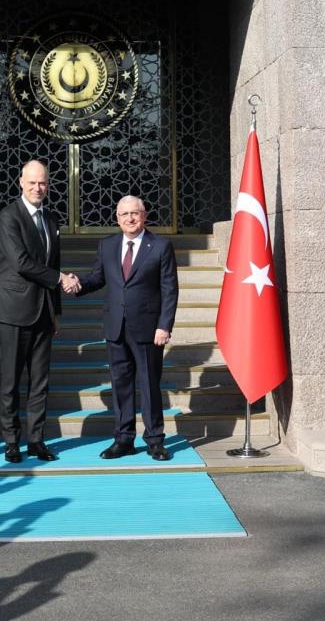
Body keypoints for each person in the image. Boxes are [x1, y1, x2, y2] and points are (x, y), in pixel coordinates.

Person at [74, 195, 179, 461]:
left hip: (148, 329)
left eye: (135, 213)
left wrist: (164, 325)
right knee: (121, 386)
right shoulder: (107, 245)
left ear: (144, 216)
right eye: (124, 214)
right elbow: (98, 277)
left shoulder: (160, 246)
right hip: (116, 328)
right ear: (117, 218)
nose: (130, 218)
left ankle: (155, 440)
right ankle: (124, 440)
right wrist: (77, 284)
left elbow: (169, 290)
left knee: (149, 385)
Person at [0, 160, 79, 463]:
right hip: (13, 310)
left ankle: (37, 441)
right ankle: (12, 442)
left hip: (43, 311)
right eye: (32, 182)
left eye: (42, 183)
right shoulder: (8, 217)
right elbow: (21, 262)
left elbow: (54, 262)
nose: (38, 188)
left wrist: (57, 311)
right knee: (11, 382)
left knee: (40, 382)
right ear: (20, 182)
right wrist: (60, 279)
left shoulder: (51, 219)